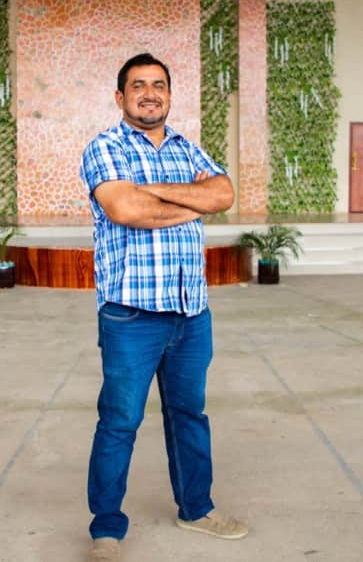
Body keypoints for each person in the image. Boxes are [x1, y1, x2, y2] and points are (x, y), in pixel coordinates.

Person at [79, 53, 248, 561]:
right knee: (119, 421)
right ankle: (107, 528)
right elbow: (126, 209)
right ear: (120, 97)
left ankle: (196, 509)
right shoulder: (103, 147)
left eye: (158, 85)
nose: (149, 92)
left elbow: (222, 195)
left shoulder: (187, 147)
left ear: (170, 95)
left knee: (189, 415)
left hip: (191, 312)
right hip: (131, 316)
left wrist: (153, 191)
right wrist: (187, 201)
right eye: (138, 85)